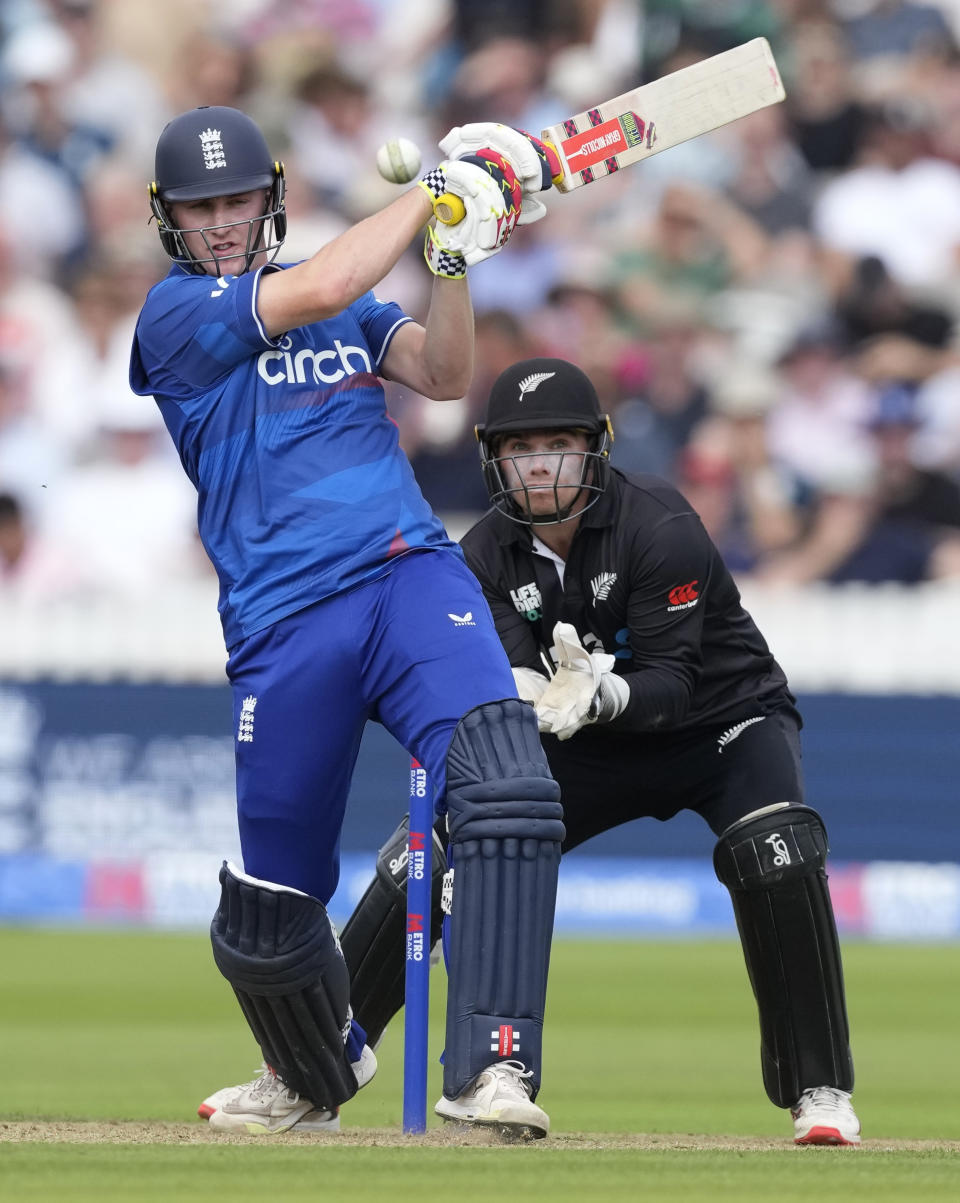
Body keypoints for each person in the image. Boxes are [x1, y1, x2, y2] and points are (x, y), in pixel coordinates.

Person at [265, 356, 862, 1146]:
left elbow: (677, 685)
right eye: (520, 446)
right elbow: (508, 678)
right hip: (579, 737)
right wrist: (540, 695)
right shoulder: (481, 554)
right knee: (457, 837)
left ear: (596, 448)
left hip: (721, 724)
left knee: (775, 848)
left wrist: (605, 693)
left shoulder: (662, 523)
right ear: (493, 457)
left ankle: (819, 1090)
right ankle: (325, 1061)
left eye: (560, 442)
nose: (541, 462)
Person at [130, 106, 568, 1137]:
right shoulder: (175, 315)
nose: (224, 222)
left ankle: (494, 1071)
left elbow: (447, 376)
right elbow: (321, 282)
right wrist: (441, 188)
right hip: (284, 622)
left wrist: (453, 258)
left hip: (406, 577)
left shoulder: (350, 308)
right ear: (171, 222)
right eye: (202, 208)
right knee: (270, 907)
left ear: (270, 198)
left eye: (238, 199)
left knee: (508, 786)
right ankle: (306, 1077)